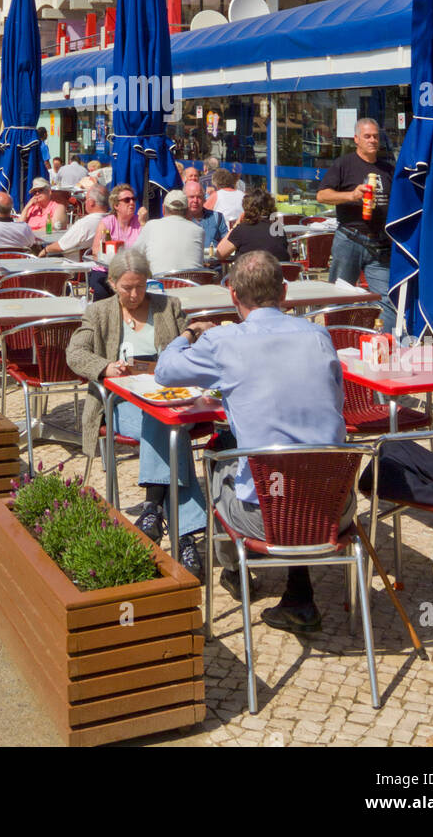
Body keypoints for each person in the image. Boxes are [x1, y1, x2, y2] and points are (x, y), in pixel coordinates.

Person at [155, 250, 351, 631]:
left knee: (217, 456)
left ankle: (235, 568)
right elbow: (333, 403)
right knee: (294, 467)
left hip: (269, 518)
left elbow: (165, 371)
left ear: (233, 296)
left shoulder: (223, 341)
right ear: (285, 291)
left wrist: (189, 333)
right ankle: (298, 590)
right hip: (333, 509)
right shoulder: (319, 335)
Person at [66, 249, 206, 578]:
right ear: (113, 283)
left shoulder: (168, 307)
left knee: (166, 421)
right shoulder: (99, 312)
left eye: (140, 287)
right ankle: (185, 536)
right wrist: (104, 368)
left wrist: (192, 336)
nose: (134, 294)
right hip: (120, 404)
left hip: (167, 398)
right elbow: (75, 352)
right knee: (170, 428)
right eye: (127, 287)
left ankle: (153, 510)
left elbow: (195, 347)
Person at [316, 117, 396, 330]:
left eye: (376, 136)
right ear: (356, 139)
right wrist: (351, 195)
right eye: (367, 136)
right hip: (350, 238)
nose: (372, 140)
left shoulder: (388, 169)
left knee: (387, 299)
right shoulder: (344, 163)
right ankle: (338, 341)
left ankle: (381, 342)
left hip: (380, 243)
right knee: (340, 298)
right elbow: (322, 195)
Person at [89, 183, 144, 300]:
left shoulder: (139, 222)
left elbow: (147, 247)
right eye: (127, 200)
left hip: (131, 272)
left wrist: (144, 223)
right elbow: (95, 251)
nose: (132, 203)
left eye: (133, 199)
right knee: (100, 292)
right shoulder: (107, 222)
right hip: (106, 272)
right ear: (116, 205)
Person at [133, 189, 205, 273]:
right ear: (187, 211)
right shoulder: (198, 231)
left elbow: (134, 255)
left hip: (160, 284)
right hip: (192, 284)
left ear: (163, 209)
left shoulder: (151, 226)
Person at [216, 188, 289, 264]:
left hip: (250, 274)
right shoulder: (278, 229)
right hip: (275, 274)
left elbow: (220, 253)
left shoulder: (242, 230)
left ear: (246, 209)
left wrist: (237, 224)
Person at [39, 186, 109, 260]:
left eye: (86, 199)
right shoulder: (114, 220)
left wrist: (45, 250)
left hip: (74, 265)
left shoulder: (84, 224)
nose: (85, 202)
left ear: (91, 202)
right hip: (100, 262)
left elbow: (61, 246)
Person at [184, 179, 227, 250]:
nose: (195, 201)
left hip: (213, 259)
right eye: (191, 197)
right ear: (184, 199)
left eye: (199, 197)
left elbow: (226, 243)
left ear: (204, 199)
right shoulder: (180, 219)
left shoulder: (217, 217)